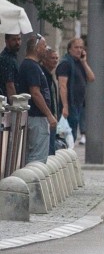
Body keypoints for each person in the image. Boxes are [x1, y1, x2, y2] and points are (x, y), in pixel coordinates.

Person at [22, 34, 55, 164]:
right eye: (44, 46)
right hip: (36, 117)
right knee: (38, 158)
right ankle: (34, 183)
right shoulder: (31, 66)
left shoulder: (34, 66)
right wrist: (49, 115)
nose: (46, 49)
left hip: (37, 117)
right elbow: (35, 93)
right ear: (36, 48)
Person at [56, 37, 95, 146]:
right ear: (69, 49)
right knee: (67, 134)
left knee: (72, 133)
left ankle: (69, 154)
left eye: (81, 47)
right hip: (69, 104)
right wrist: (65, 106)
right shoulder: (66, 63)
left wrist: (84, 62)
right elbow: (62, 86)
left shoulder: (79, 63)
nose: (79, 50)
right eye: (76, 47)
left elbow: (91, 78)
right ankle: (66, 155)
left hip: (79, 104)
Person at [40, 46, 61, 154]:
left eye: (57, 58)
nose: (55, 61)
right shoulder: (43, 74)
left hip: (52, 116)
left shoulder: (50, 75)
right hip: (47, 117)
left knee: (51, 147)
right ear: (44, 60)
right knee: (48, 149)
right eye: (52, 58)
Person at [1, 33, 21, 97]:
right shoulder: (7, 59)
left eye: (19, 39)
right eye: (14, 40)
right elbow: (9, 85)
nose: (17, 42)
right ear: (6, 41)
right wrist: (14, 105)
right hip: (6, 102)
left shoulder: (13, 57)